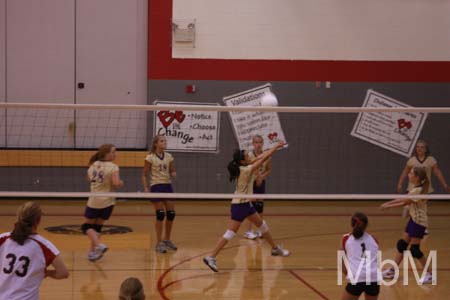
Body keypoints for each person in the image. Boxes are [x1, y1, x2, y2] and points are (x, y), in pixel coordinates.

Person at [203, 141, 289, 272]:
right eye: (247, 155)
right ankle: (211, 256)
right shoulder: (247, 169)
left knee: (262, 225)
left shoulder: (243, 166)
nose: (250, 156)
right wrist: (276, 147)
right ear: (243, 161)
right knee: (230, 233)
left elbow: (260, 157)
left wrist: (270, 150)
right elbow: (264, 158)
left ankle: (275, 248)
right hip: (240, 205)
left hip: (246, 204)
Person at [0, 202, 69, 300]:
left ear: (18, 217)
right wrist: (47, 273)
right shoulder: (44, 245)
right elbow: (63, 273)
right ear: (38, 220)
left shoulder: (3, 238)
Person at [381, 167, 433, 284]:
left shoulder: (418, 191)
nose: (409, 175)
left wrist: (388, 206)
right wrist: (388, 203)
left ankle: (430, 274)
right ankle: (392, 271)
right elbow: (404, 199)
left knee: (415, 250)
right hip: (413, 220)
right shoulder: (415, 189)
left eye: (411, 173)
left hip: (419, 222)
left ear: (417, 177)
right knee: (402, 245)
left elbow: (405, 202)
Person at [83, 144, 124, 261]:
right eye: (113, 152)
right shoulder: (113, 167)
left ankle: (98, 246)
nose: (115, 154)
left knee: (86, 227)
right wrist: (121, 182)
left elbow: (89, 179)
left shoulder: (93, 165)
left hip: (95, 200)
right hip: (108, 202)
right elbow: (116, 183)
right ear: (106, 154)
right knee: (97, 227)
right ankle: (94, 251)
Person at [142, 135, 177, 253]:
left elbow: (172, 169)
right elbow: (144, 174)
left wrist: (173, 173)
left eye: (165, 141)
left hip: (167, 185)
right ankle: (158, 243)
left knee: (171, 214)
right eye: (162, 141)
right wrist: (146, 188)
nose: (164, 142)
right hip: (156, 186)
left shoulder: (169, 156)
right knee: (160, 214)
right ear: (156, 144)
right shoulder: (150, 157)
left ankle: (167, 240)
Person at [397, 139, 450, 218]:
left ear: (425, 149)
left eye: (422, 147)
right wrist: (400, 184)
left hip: (424, 188)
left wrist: (444, 184)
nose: (419, 149)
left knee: (421, 208)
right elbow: (405, 172)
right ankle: (408, 209)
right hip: (412, 187)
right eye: (418, 147)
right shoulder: (412, 160)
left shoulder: (431, 160)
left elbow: (437, 172)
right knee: (410, 206)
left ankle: (421, 226)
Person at [340, 212, 379, 300]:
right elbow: (375, 260)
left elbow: (342, 264)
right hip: (373, 278)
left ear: (352, 224)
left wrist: (350, 276)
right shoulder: (374, 239)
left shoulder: (346, 239)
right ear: (366, 226)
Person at [243, 135, 272, 240]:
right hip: (250, 183)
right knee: (250, 207)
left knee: (259, 208)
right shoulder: (249, 155)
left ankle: (261, 230)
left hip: (261, 183)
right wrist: (255, 177)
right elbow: (246, 169)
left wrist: (262, 177)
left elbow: (269, 170)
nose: (258, 144)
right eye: (256, 142)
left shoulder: (267, 156)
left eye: (260, 142)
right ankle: (248, 231)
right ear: (253, 144)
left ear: (263, 143)